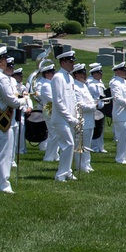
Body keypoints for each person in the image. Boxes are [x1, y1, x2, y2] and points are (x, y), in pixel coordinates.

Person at [0, 46, 29, 193]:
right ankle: (3, 184)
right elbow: (12, 102)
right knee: (4, 154)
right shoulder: (1, 78)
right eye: (4, 60)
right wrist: (24, 99)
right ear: (1, 62)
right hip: (3, 122)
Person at [50, 51, 79, 181]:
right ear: (63, 63)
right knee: (68, 144)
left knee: (70, 145)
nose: (73, 64)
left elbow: (72, 99)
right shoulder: (58, 77)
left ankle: (67, 171)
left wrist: (76, 115)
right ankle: (60, 174)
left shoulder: (70, 77)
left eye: (73, 61)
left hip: (69, 118)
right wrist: (70, 117)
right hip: (61, 119)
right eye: (70, 62)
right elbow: (58, 101)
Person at [109, 62, 126, 163]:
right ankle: (120, 158)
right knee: (122, 138)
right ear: (117, 71)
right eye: (124, 70)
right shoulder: (115, 83)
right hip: (120, 113)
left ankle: (124, 157)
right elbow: (118, 98)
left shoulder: (125, 82)